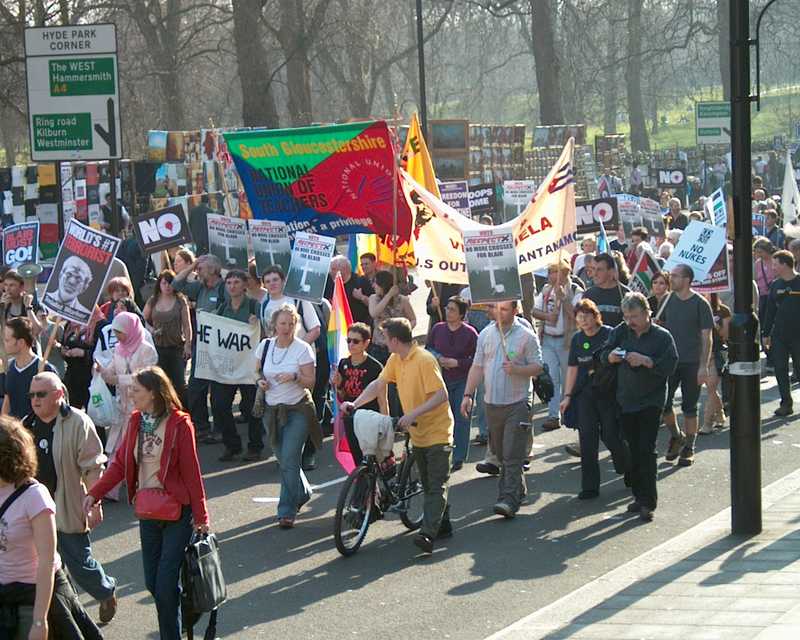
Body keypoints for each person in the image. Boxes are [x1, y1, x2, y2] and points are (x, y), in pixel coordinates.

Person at [84, 367, 209, 640]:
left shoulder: (179, 423)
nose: (131, 394)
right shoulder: (135, 421)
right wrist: (94, 494)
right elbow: (118, 465)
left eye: (136, 390)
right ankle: (178, 614)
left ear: (153, 393)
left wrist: (201, 516)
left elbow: (192, 472)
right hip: (148, 510)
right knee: (154, 584)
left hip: (179, 512)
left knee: (165, 586)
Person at [343, 318, 454, 554]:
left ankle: (427, 535)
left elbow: (441, 395)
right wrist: (355, 403)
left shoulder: (424, 359)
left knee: (435, 485)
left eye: (384, 337)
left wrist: (412, 413)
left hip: (437, 432)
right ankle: (442, 523)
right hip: (417, 431)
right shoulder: (396, 359)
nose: (382, 341)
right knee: (428, 483)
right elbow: (378, 384)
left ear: (394, 339)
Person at [23, 372, 118, 623]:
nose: (35, 400)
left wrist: (94, 501)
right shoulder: (27, 424)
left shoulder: (78, 422)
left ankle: (105, 591)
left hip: (68, 505)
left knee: (79, 563)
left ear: (59, 394)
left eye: (41, 394)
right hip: (36, 511)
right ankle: (67, 612)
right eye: (32, 395)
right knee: (46, 565)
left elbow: (93, 465)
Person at [461, 300, 544, 519]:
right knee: (499, 451)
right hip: (492, 403)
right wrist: (468, 395)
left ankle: (507, 499)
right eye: (497, 308)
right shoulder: (486, 334)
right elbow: (477, 367)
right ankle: (518, 488)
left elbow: (538, 367)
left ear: (515, 310)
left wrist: (517, 369)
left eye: (505, 309)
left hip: (517, 403)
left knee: (511, 453)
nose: (499, 312)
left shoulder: (526, 336)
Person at [601, 292, 678, 522]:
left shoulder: (662, 336)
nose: (630, 321)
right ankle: (637, 495)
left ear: (647, 313)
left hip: (650, 400)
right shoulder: (620, 331)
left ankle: (648, 502)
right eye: (626, 316)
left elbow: (670, 365)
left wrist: (646, 361)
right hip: (625, 400)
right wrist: (612, 357)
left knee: (646, 449)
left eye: (634, 316)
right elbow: (603, 353)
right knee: (632, 450)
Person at [559, 300, 630, 499]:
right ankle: (590, 487)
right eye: (580, 317)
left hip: (608, 393)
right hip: (585, 395)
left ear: (595, 315)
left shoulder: (609, 334)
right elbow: (572, 368)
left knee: (611, 435)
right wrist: (567, 396)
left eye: (587, 316)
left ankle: (627, 467)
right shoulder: (577, 339)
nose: (584, 321)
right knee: (587, 439)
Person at [255, 305, 318, 528]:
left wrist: (294, 376)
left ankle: (287, 510)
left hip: (297, 411)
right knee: (284, 460)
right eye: (283, 323)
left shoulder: (303, 349)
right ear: (275, 325)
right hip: (271, 412)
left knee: (290, 458)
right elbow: (257, 371)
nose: (287, 328)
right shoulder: (265, 346)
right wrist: (260, 382)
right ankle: (302, 492)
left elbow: (310, 382)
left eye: (291, 324)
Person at [659, 263, 713, 467]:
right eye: (671, 275)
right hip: (669, 361)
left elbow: (707, 338)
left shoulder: (700, 303)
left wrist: (704, 366)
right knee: (663, 404)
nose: (671, 279)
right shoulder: (667, 300)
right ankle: (676, 436)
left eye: (675, 276)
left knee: (689, 407)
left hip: (692, 362)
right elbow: (661, 326)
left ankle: (689, 447)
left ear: (687, 279)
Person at [173, 254, 227, 441]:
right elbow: (176, 284)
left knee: (219, 392)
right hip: (202, 346)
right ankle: (202, 427)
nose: (197, 271)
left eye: (201, 268)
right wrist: (193, 264)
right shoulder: (200, 288)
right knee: (196, 387)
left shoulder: (225, 289)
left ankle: (221, 429)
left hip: (220, 348)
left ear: (212, 270)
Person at [211, 270, 263, 462]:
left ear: (244, 285)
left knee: (251, 407)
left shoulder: (254, 306)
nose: (232, 286)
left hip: (249, 366)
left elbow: (265, 332)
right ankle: (232, 445)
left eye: (236, 282)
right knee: (219, 405)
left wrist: (257, 324)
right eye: (229, 283)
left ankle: (255, 446)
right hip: (228, 366)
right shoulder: (223, 308)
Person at [97, 312, 159, 458]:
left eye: (120, 332)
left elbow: (146, 378)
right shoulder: (119, 348)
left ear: (130, 330)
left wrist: (119, 379)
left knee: (140, 452)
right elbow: (111, 370)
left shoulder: (147, 350)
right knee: (118, 453)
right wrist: (102, 371)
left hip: (142, 410)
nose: (117, 336)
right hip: (122, 410)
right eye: (115, 332)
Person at [428, 296, 478, 471]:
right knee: (441, 418)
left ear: (462, 314)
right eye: (447, 308)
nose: (448, 312)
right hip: (441, 380)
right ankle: (441, 452)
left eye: (452, 310)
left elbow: (477, 360)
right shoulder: (438, 329)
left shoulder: (470, 333)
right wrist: (439, 357)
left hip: (464, 379)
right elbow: (428, 349)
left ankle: (458, 456)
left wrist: (458, 363)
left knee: (461, 416)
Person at [533, 259, 583, 431]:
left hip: (567, 341)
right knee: (552, 378)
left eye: (555, 272)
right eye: (550, 272)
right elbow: (534, 310)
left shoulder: (576, 290)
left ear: (565, 273)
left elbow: (578, 316)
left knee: (567, 378)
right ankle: (553, 416)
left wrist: (564, 299)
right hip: (548, 340)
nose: (551, 276)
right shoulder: (546, 290)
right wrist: (547, 317)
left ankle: (568, 411)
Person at [332, 323, 387, 465]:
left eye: (355, 341)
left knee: (372, 461)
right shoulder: (343, 363)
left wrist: (385, 425)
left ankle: (375, 486)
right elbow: (343, 396)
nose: (351, 344)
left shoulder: (375, 367)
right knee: (357, 459)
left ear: (366, 343)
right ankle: (366, 486)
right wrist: (338, 386)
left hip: (370, 419)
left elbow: (382, 400)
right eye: (348, 340)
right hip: (350, 418)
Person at [143, 270, 192, 403]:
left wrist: (188, 345)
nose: (167, 286)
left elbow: (187, 325)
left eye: (170, 283)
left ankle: (184, 415)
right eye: (164, 283)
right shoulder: (153, 300)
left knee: (180, 385)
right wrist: (152, 330)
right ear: (159, 284)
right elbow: (142, 319)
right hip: (158, 348)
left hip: (176, 347)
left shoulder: (180, 300)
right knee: (159, 385)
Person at [763, 250, 800, 416]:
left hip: (798, 335)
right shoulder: (776, 285)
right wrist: (765, 333)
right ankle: (786, 403)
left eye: (775, 264)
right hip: (779, 335)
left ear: (785, 264)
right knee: (780, 369)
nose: (773, 267)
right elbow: (769, 310)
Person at [2, 318, 58, 419]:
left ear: (21, 343)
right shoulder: (10, 368)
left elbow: (56, 404)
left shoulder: (44, 369)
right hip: (16, 431)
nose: (3, 343)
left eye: (7, 340)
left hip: (37, 432)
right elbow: (8, 399)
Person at [259, 266, 320, 344]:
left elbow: (315, 329)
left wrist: (298, 351)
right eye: (268, 281)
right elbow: (267, 333)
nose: (272, 284)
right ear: (264, 285)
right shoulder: (264, 305)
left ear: (283, 281)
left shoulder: (298, 300)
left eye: (275, 280)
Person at [368, 270, 417, 364]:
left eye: (376, 283)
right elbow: (374, 313)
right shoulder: (373, 298)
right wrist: (389, 295)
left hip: (398, 346)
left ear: (383, 285)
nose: (373, 286)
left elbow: (413, 319)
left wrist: (404, 330)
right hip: (379, 346)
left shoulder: (402, 300)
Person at [701, 294, 730, 433]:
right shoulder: (697, 308)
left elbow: (727, 334)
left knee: (711, 387)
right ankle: (720, 414)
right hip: (701, 353)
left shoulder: (723, 310)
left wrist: (717, 327)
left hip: (717, 352)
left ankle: (707, 423)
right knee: (710, 388)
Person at [582, 253, 630, 328]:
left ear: (611, 271)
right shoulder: (588, 295)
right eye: (593, 269)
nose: (594, 274)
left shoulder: (625, 294)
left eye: (599, 270)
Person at [324, 256, 373, 325]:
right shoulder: (329, 282)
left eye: (333, 269)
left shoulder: (361, 281)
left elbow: (373, 305)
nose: (331, 272)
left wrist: (362, 297)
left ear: (344, 269)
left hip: (358, 327)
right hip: (338, 327)